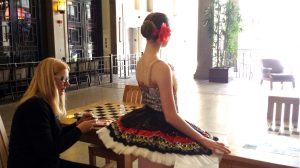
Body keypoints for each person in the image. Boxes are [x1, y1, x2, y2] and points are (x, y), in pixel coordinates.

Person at [98, 12, 231, 168]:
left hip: (145, 125)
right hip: (162, 128)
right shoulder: (161, 67)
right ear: (164, 33)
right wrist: (203, 140)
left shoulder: (141, 63)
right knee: (208, 151)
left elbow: (152, 97)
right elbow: (170, 116)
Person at [8, 58, 98, 168]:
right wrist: (80, 130)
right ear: (48, 80)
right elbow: (49, 150)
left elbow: (56, 133)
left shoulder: (42, 102)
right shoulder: (34, 107)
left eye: (67, 79)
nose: (67, 84)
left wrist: (77, 124)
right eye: (63, 79)